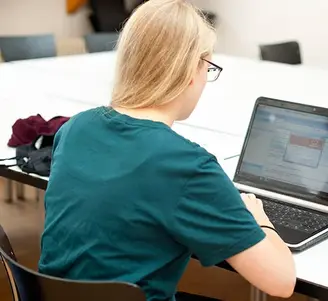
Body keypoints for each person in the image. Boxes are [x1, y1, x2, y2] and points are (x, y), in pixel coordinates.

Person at [38, 1, 296, 300]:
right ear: (190, 70)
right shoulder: (186, 165)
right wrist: (258, 219)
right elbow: (281, 281)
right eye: (208, 67)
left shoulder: (75, 128)